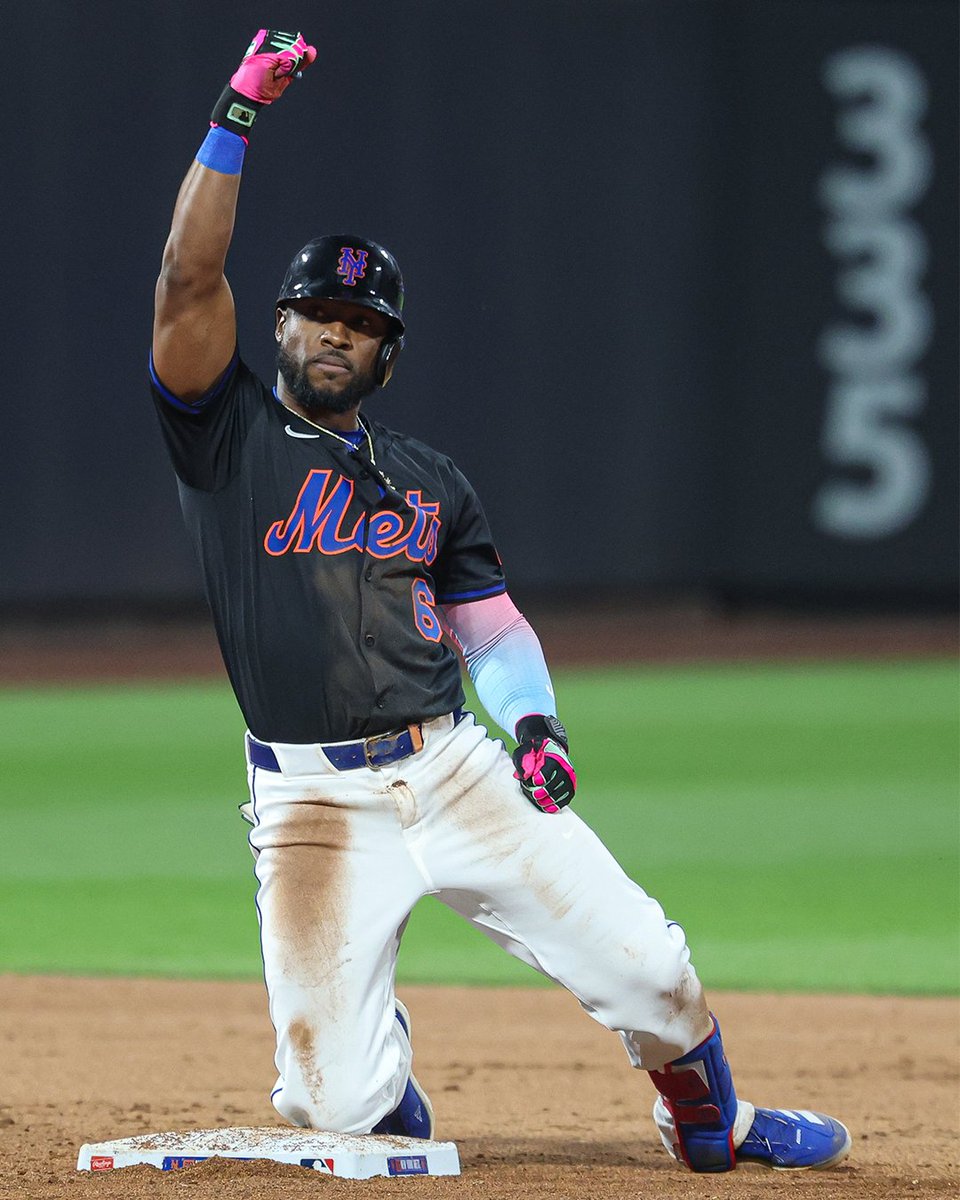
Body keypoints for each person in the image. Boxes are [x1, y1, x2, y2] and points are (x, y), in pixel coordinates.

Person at [150, 29, 851, 1173]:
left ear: (388, 356)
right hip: (312, 803)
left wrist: (533, 725)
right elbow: (188, 278)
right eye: (319, 311)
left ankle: (711, 1123)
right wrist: (237, 113)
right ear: (277, 324)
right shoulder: (223, 438)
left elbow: (490, 626)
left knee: (655, 974)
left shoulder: (430, 481)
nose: (338, 331)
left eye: (364, 324)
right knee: (336, 1109)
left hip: (452, 766)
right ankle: (377, 1070)